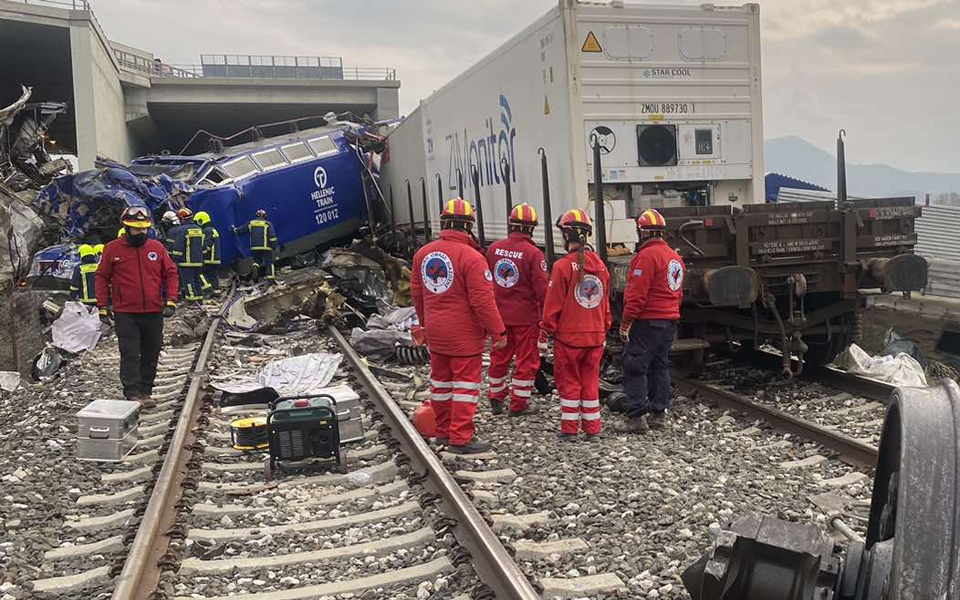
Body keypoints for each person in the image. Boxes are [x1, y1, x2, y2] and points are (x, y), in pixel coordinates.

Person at [411, 198, 507, 454]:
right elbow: (483, 301)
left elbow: (418, 295)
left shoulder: (423, 254)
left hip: (436, 331)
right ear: (468, 226)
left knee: (440, 385)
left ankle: (442, 432)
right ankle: (461, 437)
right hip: (464, 335)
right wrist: (498, 331)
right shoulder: (472, 258)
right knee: (465, 387)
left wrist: (425, 324)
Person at [539, 209, 611, 441]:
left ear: (565, 236)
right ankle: (593, 429)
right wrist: (604, 327)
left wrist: (545, 332)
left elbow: (553, 306)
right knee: (590, 382)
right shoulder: (601, 267)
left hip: (569, 338)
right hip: (595, 336)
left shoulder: (562, 267)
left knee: (569, 382)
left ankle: (569, 430)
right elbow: (606, 304)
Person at [96, 206, 179, 407]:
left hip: (152, 311)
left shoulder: (156, 248)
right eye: (136, 228)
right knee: (130, 353)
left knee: (151, 351)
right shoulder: (112, 249)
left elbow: (171, 273)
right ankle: (132, 393)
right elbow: (101, 277)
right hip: (126, 313)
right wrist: (102, 307)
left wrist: (171, 301)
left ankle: (146, 391)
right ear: (126, 227)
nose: (141, 232)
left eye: (144, 229)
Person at [618, 208, 685, 432]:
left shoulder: (646, 257)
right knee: (660, 366)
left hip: (647, 321)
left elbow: (637, 295)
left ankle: (636, 418)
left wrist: (626, 322)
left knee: (635, 364)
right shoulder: (675, 257)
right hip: (669, 320)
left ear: (643, 233)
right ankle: (658, 415)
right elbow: (679, 292)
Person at [485, 203, 548, 416]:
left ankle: (495, 397)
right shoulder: (534, 254)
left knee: (499, 357)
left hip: (500, 316)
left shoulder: (493, 249)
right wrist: (547, 317)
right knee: (526, 360)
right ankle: (518, 404)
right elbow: (542, 290)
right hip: (525, 318)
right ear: (531, 228)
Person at [169, 208, 205, 302]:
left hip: (186, 262)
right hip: (198, 260)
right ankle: (199, 298)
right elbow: (203, 245)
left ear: (181, 219)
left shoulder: (182, 230)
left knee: (188, 281)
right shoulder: (199, 229)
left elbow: (179, 246)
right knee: (197, 280)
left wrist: (175, 259)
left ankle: (191, 299)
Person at [233, 209, 277, 284]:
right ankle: (271, 280)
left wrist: (234, 229)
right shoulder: (267, 224)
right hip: (266, 247)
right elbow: (272, 237)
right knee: (269, 263)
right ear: (264, 216)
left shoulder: (251, 223)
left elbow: (240, 230)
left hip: (254, 247)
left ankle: (255, 266)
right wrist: (273, 246)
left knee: (257, 260)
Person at [193, 211, 221, 296]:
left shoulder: (207, 231)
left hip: (209, 258)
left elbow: (207, 245)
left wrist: (201, 253)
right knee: (213, 275)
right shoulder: (213, 229)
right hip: (216, 258)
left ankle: (207, 288)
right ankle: (216, 292)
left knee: (199, 272)